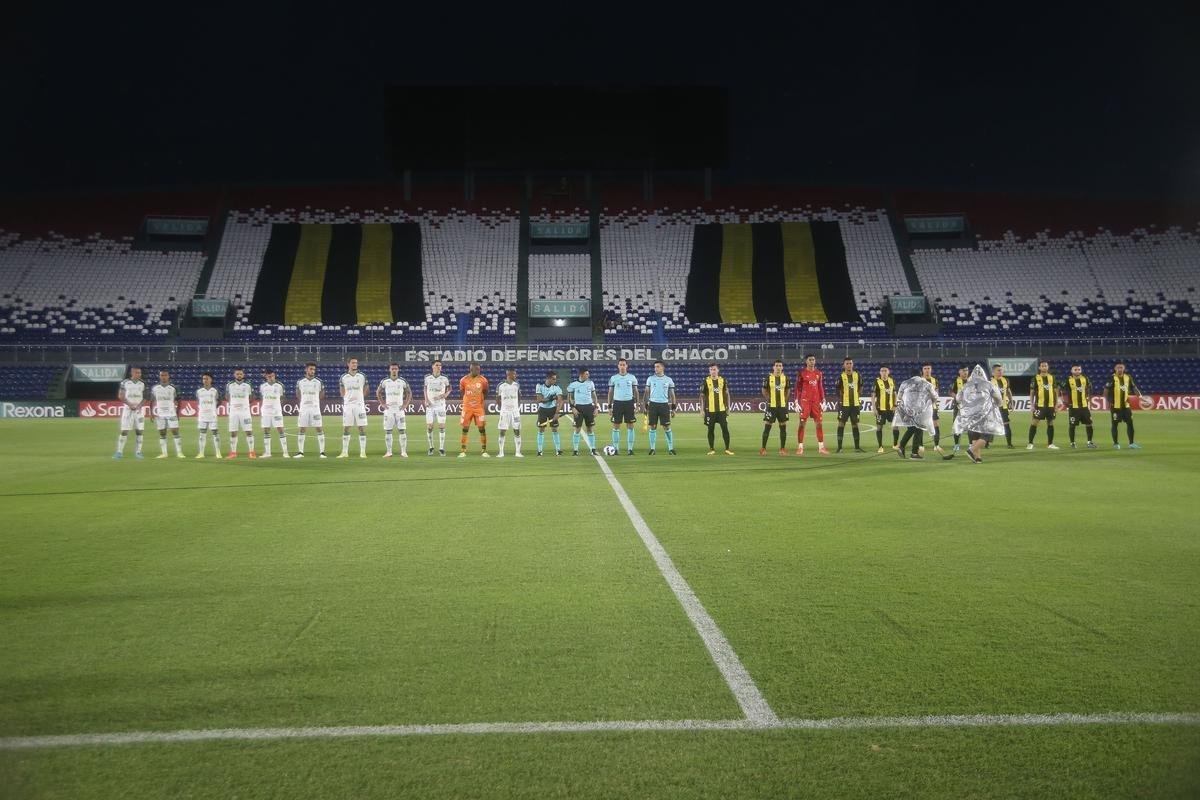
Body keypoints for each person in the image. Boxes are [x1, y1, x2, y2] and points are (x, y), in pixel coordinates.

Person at [946, 365, 1006, 464]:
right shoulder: (989, 384)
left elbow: (958, 398)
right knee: (987, 435)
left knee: (975, 436)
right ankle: (971, 450)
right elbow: (999, 399)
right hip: (985, 415)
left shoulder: (966, 385)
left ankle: (977, 458)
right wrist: (996, 405)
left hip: (970, 416)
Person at [893, 371, 939, 460]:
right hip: (920, 411)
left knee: (911, 428)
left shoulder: (905, 383)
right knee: (919, 428)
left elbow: (899, 397)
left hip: (907, 410)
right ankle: (913, 452)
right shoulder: (927, 384)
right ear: (921, 375)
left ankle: (902, 447)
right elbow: (935, 397)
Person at [1105, 361, 1147, 449]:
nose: (1120, 369)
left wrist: (1140, 396)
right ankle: (1116, 444)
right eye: (1118, 368)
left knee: (1130, 424)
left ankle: (1131, 443)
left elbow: (1134, 387)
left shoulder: (1128, 377)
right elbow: (1105, 391)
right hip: (1115, 406)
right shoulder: (1112, 378)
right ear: (1115, 369)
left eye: (1121, 367)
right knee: (1115, 424)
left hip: (1126, 406)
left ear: (1124, 368)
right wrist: (1109, 401)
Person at [376, 362, 412, 458]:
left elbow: (409, 393)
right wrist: (382, 403)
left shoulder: (402, 381)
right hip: (389, 410)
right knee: (388, 431)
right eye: (392, 369)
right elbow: (378, 392)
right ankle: (389, 452)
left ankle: (403, 452)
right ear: (389, 370)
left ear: (398, 370)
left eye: (396, 368)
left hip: (400, 410)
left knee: (402, 430)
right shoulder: (385, 381)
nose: (394, 370)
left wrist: (405, 404)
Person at [794, 354, 828, 455]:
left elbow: (820, 387)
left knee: (819, 424)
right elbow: (798, 388)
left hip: (816, 402)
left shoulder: (819, 373)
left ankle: (821, 447)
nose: (812, 361)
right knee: (802, 424)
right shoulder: (801, 373)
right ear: (806, 361)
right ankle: (800, 447)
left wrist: (824, 400)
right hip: (805, 402)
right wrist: (796, 401)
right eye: (810, 360)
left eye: (813, 359)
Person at [113, 366, 148, 459]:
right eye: (137, 373)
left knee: (139, 431)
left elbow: (145, 397)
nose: (139, 374)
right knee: (124, 431)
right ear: (132, 373)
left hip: (139, 410)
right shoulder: (125, 383)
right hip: (128, 410)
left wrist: (139, 406)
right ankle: (119, 452)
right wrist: (130, 405)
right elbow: (120, 395)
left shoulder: (143, 383)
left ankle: (138, 452)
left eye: (140, 373)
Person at [607, 358, 640, 455]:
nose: (622, 366)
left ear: (627, 366)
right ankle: (616, 449)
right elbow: (610, 393)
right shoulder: (613, 378)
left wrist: (637, 405)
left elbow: (636, 392)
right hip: (617, 403)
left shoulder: (632, 377)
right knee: (616, 426)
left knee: (630, 426)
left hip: (629, 403)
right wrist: (609, 406)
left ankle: (630, 449)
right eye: (620, 364)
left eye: (623, 364)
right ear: (618, 366)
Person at [294, 361, 326, 458]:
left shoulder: (319, 381)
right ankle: (300, 452)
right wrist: (304, 401)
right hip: (304, 409)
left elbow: (322, 394)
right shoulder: (300, 382)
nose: (313, 371)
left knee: (319, 428)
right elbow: (298, 394)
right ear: (306, 369)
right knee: (302, 429)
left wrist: (314, 401)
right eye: (311, 369)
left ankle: (322, 452)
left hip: (315, 409)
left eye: (314, 369)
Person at [644, 360, 677, 455]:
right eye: (655, 367)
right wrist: (645, 405)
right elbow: (647, 393)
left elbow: (672, 395)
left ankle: (671, 448)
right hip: (653, 404)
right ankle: (652, 448)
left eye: (658, 366)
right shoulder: (650, 379)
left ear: (663, 368)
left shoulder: (668, 380)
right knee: (653, 426)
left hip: (664, 405)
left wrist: (673, 408)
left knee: (666, 427)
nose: (656, 368)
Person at [338, 357, 369, 458]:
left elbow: (366, 389)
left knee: (361, 428)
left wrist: (360, 398)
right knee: (346, 428)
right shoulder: (343, 377)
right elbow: (342, 391)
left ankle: (363, 452)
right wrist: (347, 398)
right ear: (348, 364)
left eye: (356, 363)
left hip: (359, 405)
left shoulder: (362, 376)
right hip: (348, 406)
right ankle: (344, 452)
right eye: (353, 363)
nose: (355, 364)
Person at [700, 362, 734, 455]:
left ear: (718, 370)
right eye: (711, 369)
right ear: (709, 371)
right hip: (709, 410)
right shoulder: (705, 381)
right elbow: (702, 396)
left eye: (714, 369)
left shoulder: (723, 380)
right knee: (710, 429)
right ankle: (711, 449)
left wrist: (728, 407)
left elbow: (727, 394)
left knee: (725, 429)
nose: (713, 371)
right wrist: (701, 409)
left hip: (722, 410)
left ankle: (727, 448)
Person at [150, 369, 185, 459]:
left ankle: (179, 453)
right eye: (162, 375)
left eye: (165, 375)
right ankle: (164, 453)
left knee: (175, 432)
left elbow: (179, 401)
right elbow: (152, 401)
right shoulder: (155, 388)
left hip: (171, 413)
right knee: (162, 433)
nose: (164, 377)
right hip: (160, 414)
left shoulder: (174, 387)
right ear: (159, 376)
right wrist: (151, 413)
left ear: (168, 376)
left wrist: (177, 413)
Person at [458, 362, 490, 457]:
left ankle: (484, 450)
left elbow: (486, 391)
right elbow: (462, 392)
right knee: (465, 428)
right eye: (477, 369)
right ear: (471, 369)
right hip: (467, 408)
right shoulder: (463, 380)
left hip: (478, 408)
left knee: (482, 428)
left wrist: (480, 401)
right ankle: (463, 450)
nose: (479, 371)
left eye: (479, 369)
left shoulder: (483, 380)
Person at [1027, 360, 1060, 450]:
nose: (1044, 367)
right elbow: (1032, 392)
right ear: (1039, 368)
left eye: (1045, 366)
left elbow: (1055, 391)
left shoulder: (1052, 378)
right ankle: (1030, 443)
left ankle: (1050, 444)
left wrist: (1056, 403)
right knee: (1034, 422)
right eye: (1042, 366)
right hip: (1039, 405)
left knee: (1050, 423)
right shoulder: (1035, 378)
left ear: (1048, 367)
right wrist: (1032, 404)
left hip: (1050, 405)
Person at [834, 357, 865, 453]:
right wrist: (842, 399)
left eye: (850, 363)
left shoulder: (857, 375)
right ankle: (839, 448)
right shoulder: (840, 376)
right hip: (844, 405)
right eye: (847, 363)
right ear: (844, 365)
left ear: (853, 364)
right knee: (841, 424)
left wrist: (858, 395)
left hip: (855, 405)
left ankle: (857, 447)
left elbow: (861, 386)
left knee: (855, 424)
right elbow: (837, 389)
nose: (849, 365)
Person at [566, 367, 600, 456]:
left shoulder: (591, 383)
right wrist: (572, 407)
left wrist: (596, 407)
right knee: (577, 429)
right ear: (581, 374)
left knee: (590, 429)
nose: (588, 375)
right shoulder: (573, 384)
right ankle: (576, 450)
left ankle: (592, 449)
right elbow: (570, 398)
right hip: (578, 408)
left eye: (588, 374)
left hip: (589, 407)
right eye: (586, 374)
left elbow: (594, 396)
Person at [760, 359, 789, 456]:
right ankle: (763, 448)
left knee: (783, 427)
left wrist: (784, 399)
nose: (778, 367)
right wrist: (768, 399)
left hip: (782, 407)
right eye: (776, 365)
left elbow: (788, 390)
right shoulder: (768, 378)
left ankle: (782, 448)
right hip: (771, 406)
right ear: (773, 367)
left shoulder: (786, 378)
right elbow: (763, 390)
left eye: (780, 366)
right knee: (767, 427)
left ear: (782, 367)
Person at [1064, 364, 1097, 449]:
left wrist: (1089, 399)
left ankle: (1089, 442)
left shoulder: (1085, 379)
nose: (1077, 371)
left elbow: (1089, 388)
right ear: (1072, 371)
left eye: (1079, 369)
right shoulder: (1068, 380)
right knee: (1072, 425)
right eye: (1075, 369)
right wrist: (1064, 401)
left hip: (1084, 407)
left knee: (1089, 424)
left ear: (1081, 370)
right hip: (1073, 407)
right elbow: (1062, 390)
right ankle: (1072, 443)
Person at [225, 367, 256, 459]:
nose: (239, 375)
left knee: (249, 431)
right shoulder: (229, 385)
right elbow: (227, 396)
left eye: (240, 374)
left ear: (243, 375)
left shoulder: (248, 385)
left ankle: (251, 452)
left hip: (245, 412)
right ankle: (233, 452)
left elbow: (252, 396)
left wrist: (245, 404)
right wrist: (234, 403)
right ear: (234, 375)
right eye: (237, 374)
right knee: (233, 432)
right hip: (233, 412)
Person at [258, 368, 289, 458]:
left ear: (274, 375)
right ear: (266, 376)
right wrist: (262, 409)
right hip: (266, 411)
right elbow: (261, 398)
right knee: (266, 431)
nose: (271, 377)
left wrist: (277, 405)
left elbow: (283, 398)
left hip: (276, 411)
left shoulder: (280, 385)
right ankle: (267, 453)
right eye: (268, 376)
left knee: (280, 430)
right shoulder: (262, 386)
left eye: (272, 375)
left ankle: (285, 452)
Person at [495, 367, 523, 458]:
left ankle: (518, 452)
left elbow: (519, 396)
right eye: (514, 374)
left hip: (515, 412)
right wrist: (502, 408)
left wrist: (517, 407)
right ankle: (501, 452)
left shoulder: (517, 385)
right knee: (502, 431)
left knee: (517, 431)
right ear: (509, 374)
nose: (516, 375)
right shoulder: (501, 385)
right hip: (505, 412)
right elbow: (497, 398)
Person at [423, 359, 450, 456]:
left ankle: (441, 448)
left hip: (441, 406)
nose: (439, 367)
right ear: (432, 366)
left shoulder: (445, 378)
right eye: (437, 365)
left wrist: (444, 395)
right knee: (430, 427)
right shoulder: (427, 378)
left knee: (441, 426)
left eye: (440, 365)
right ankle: (431, 447)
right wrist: (426, 400)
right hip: (430, 406)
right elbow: (425, 388)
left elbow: (449, 388)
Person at [535, 370, 564, 456]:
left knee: (555, 429)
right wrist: (550, 399)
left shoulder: (557, 388)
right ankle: (540, 451)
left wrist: (556, 413)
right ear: (548, 378)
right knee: (541, 429)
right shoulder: (539, 386)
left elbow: (560, 401)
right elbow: (539, 400)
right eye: (554, 379)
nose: (555, 381)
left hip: (552, 410)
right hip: (542, 410)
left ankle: (558, 450)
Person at [195, 372, 222, 458]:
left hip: (212, 415)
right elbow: (198, 402)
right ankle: (201, 453)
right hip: (202, 415)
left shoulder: (215, 390)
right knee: (202, 433)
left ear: (211, 379)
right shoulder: (199, 391)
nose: (205, 380)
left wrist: (213, 407)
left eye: (207, 378)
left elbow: (219, 401)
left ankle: (218, 453)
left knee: (215, 433)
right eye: (204, 379)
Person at [872, 366, 899, 453]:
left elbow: (895, 394)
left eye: (885, 371)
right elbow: (873, 396)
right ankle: (880, 446)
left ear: (888, 372)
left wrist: (895, 405)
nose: (884, 372)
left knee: (895, 426)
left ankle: (895, 445)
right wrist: (874, 408)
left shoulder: (892, 380)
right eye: (882, 371)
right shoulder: (876, 381)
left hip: (891, 409)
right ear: (880, 372)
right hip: (880, 409)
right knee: (879, 427)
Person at [989, 364, 1015, 448]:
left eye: (1001, 370)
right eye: (998, 370)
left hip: (1003, 407)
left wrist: (1011, 401)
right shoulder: (989, 382)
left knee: (1006, 424)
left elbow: (1008, 391)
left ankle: (1009, 444)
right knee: (990, 425)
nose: (1000, 372)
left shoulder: (1006, 380)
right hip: (993, 407)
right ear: (993, 372)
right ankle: (986, 443)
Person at [921, 363, 942, 453]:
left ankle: (936, 445)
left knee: (935, 425)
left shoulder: (935, 381)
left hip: (933, 407)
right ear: (922, 370)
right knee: (921, 426)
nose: (927, 370)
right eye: (925, 368)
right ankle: (920, 445)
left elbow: (936, 394)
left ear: (931, 369)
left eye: (928, 368)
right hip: (922, 408)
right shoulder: (919, 381)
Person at [949, 366, 970, 452]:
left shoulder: (971, 381)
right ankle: (957, 444)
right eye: (963, 370)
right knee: (957, 425)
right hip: (958, 407)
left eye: (967, 370)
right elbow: (950, 392)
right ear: (959, 371)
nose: (965, 372)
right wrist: (957, 397)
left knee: (970, 426)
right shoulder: (955, 380)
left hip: (969, 408)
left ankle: (971, 444)